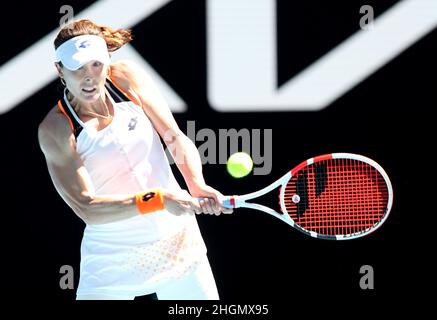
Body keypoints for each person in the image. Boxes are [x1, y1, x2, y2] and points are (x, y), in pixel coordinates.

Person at [38, 19, 232, 300]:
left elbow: (174, 137)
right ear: (60, 70)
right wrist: (160, 199)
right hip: (111, 262)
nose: (89, 76)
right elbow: (87, 207)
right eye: (77, 67)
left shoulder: (126, 78)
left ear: (107, 60)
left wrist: (196, 184)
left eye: (96, 64)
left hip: (177, 243)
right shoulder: (56, 128)